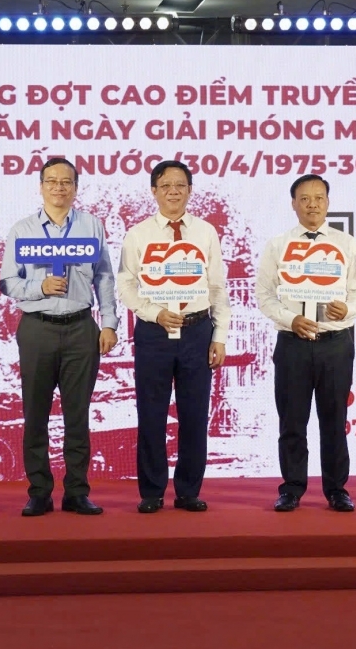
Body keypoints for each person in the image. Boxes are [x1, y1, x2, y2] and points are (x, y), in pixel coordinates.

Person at [0, 158, 118, 517]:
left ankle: (77, 492)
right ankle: (39, 492)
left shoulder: (91, 225)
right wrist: (40, 286)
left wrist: (109, 323)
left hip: (81, 328)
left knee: (77, 415)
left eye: (66, 182)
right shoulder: (22, 230)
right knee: (35, 414)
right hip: (37, 328)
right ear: (41, 187)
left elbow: (104, 277)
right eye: (51, 181)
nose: (59, 187)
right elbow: (7, 282)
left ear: (76, 187)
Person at [117, 160, 230, 513]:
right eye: (165, 185)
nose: (173, 192)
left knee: (194, 415)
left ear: (190, 190)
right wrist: (154, 313)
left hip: (198, 330)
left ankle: (188, 491)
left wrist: (220, 335)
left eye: (180, 185)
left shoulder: (205, 232)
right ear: (154, 191)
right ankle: (152, 492)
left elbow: (217, 286)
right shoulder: (138, 234)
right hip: (155, 331)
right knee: (151, 413)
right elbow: (126, 284)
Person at [256, 174, 356, 512]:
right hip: (292, 342)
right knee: (292, 421)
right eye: (304, 199)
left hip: (335, 342)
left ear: (328, 202)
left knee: (334, 420)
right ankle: (291, 488)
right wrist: (290, 319)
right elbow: (264, 294)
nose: (312, 205)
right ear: (293, 204)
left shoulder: (346, 243)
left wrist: (347, 308)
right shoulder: (278, 245)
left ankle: (337, 490)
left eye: (319, 198)